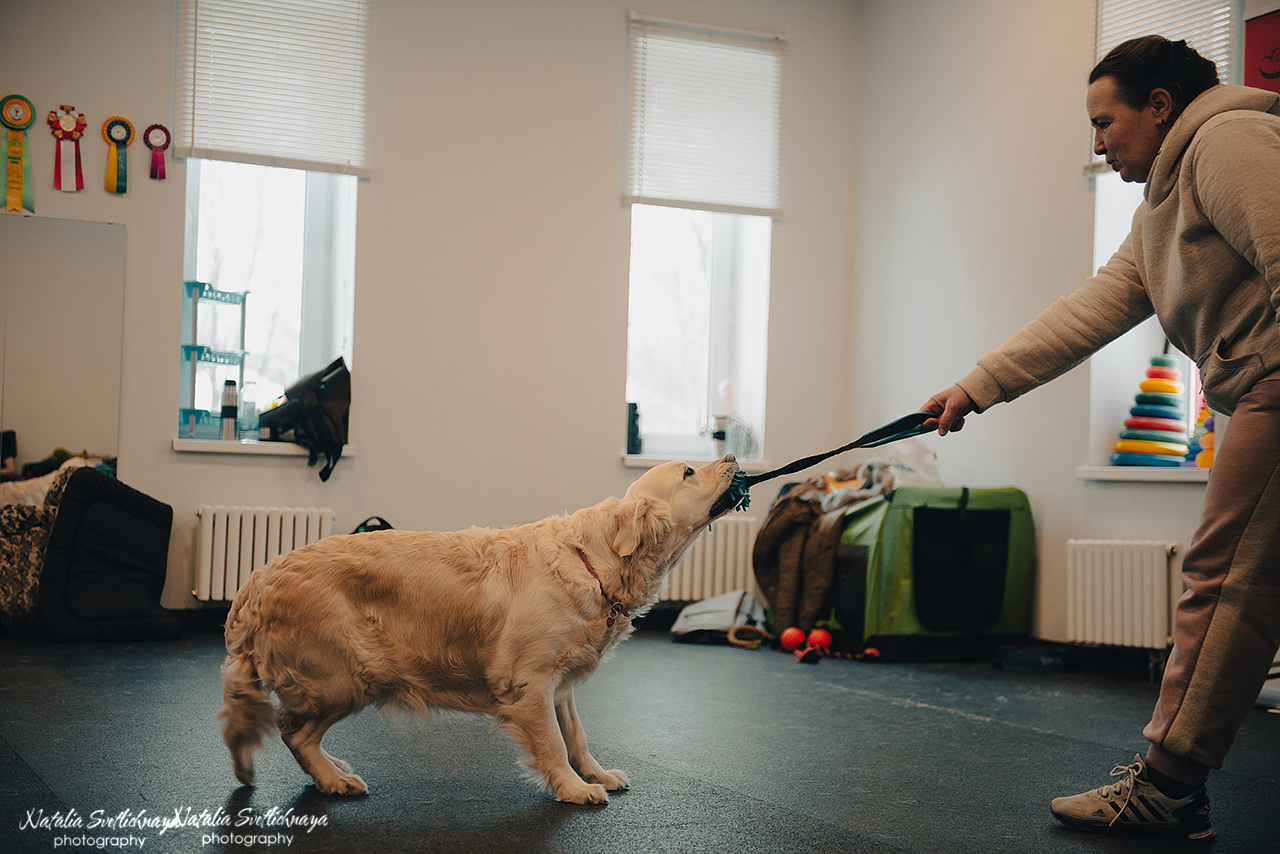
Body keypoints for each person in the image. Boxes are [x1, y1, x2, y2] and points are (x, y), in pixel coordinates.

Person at [922, 35, 1280, 841]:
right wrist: (979, 385)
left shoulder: (1226, 142)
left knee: (1222, 581)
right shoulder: (1161, 206)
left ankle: (1170, 787)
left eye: (1104, 122)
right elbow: (1094, 309)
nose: (1097, 144)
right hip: (1260, 387)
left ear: (1159, 105)